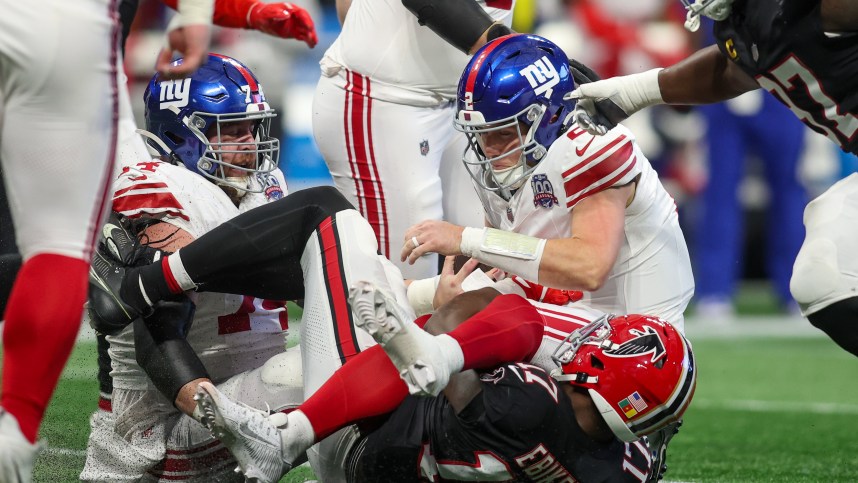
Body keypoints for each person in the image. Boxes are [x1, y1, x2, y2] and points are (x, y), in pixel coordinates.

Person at [566, 0, 858, 356]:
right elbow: (734, 70)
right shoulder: (745, 24)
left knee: (826, 268)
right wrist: (635, 92)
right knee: (822, 279)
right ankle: (717, 290)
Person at [0, 0, 214, 479]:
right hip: (66, 39)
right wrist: (201, 14)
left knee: (92, 249)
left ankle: (106, 418)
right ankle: (17, 428)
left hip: (64, 50)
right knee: (71, 247)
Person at [195, 281, 696, 482]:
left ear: (610, 371)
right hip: (418, 461)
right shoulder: (623, 469)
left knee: (330, 231)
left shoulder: (536, 406)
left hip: (364, 447)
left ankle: (287, 435)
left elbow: (445, 379)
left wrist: (429, 334)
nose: (594, 337)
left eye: (607, 341)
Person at [81, 53, 299, 481]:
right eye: (230, 129)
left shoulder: (262, 186)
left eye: (251, 126)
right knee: (310, 375)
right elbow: (154, 335)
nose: (250, 142)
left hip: (231, 396)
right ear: (180, 135)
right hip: (160, 433)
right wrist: (231, 422)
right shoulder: (163, 190)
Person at [312, 0, 516, 279]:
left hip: (460, 99)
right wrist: (512, 49)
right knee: (403, 281)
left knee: (492, 256)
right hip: (385, 98)